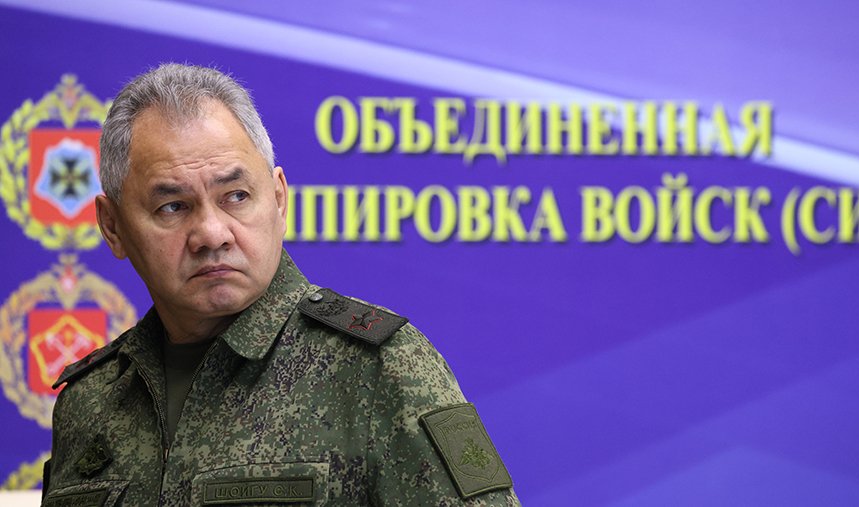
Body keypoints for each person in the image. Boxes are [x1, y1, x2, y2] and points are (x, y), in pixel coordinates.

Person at [42, 63, 519, 506]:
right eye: (173, 207)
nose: (212, 233)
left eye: (236, 196)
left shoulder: (378, 369)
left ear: (278, 199)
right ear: (112, 227)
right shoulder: (90, 400)